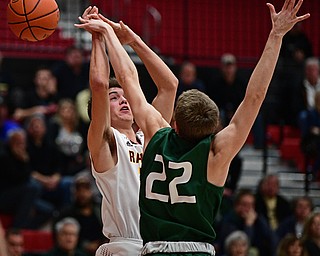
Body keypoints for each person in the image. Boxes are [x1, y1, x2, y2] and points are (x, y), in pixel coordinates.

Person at [76, 0, 310, 255]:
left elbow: (135, 79)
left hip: (153, 247)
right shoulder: (214, 153)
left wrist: (108, 34)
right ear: (213, 130)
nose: (122, 100)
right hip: (169, 245)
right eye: (114, 98)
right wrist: (276, 35)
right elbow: (254, 96)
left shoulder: (155, 136)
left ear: (173, 123)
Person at [75, 5, 178, 255]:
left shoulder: (149, 135)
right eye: (114, 97)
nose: (123, 100)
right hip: (125, 244)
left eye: (124, 95)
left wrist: (133, 40)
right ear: (99, 112)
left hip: (158, 244)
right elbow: (99, 83)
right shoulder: (106, 142)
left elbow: (169, 85)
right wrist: (98, 36)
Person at [53, 174, 106, 256]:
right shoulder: (66, 213)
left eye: (86, 190)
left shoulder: (100, 211)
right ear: (74, 192)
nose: (82, 194)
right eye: (79, 190)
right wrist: (85, 245)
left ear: (91, 191)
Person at [216, 189, 275, 256]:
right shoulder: (228, 221)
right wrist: (248, 225)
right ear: (236, 206)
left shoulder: (258, 219)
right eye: (245, 205)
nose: (248, 209)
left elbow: (272, 239)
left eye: (251, 205)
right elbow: (239, 248)